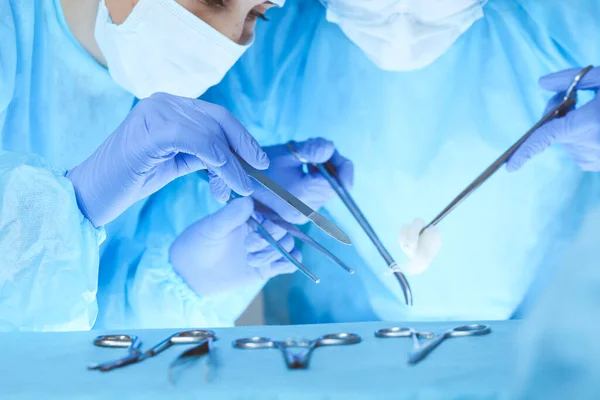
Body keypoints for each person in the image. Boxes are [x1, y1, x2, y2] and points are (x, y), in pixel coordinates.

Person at [201, 0, 600, 324]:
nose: (401, 30)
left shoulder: (565, 19)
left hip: (555, 326)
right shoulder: (270, 40)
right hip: (344, 343)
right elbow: (189, 216)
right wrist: (242, 203)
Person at [0, 0, 333, 331]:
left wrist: (187, 277)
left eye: (257, 14)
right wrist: (75, 205)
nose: (227, 38)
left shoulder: (172, 104)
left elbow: (93, 331)